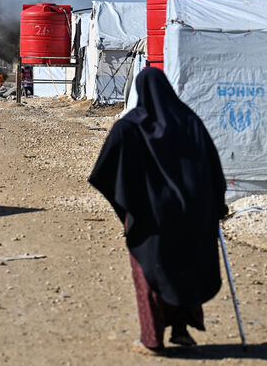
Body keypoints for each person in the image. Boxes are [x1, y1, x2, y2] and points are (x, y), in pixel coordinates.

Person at [88, 68, 228, 355]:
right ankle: (181, 328)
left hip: (150, 215)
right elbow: (213, 168)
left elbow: (104, 171)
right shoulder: (189, 120)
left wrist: (126, 203)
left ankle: (152, 339)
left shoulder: (129, 127)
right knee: (184, 267)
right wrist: (216, 203)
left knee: (150, 273)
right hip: (192, 214)